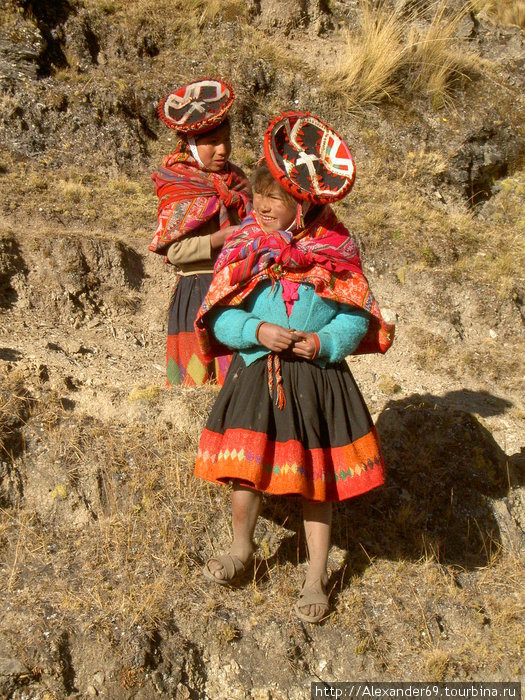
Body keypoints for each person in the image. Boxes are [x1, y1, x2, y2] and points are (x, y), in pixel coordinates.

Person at [193, 112, 395, 623]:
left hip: (318, 383)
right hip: (256, 376)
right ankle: (242, 551)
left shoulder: (335, 251)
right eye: (258, 197)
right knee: (247, 473)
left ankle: (315, 577)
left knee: (316, 481)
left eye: (274, 200)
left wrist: (322, 341)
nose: (260, 207)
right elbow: (221, 317)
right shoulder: (244, 247)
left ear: (303, 204)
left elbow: (355, 317)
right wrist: (256, 332)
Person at [149, 79, 252, 387]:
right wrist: (218, 240)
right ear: (192, 143)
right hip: (196, 291)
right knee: (195, 384)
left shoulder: (237, 181)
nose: (223, 150)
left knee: (235, 382)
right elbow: (174, 251)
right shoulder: (179, 183)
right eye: (213, 143)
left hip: (235, 287)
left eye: (226, 140)